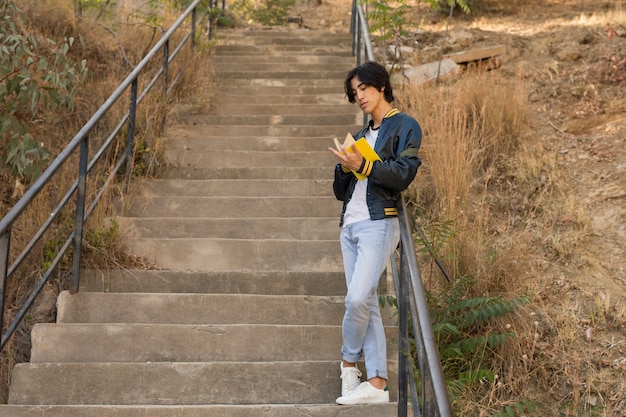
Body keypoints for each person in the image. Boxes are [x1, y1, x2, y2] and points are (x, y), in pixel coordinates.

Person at [328, 61, 422, 405]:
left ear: (381, 85)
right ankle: (378, 383)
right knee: (365, 301)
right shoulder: (360, 135)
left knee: (356, 299)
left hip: (378, 222)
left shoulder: (405, 126)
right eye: (354, 93)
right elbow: (341, 191)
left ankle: (348, 363)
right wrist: (344, 166)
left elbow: (402, 175)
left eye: (363, 89)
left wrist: (364, 165)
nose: (359, 96)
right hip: (349, 226)